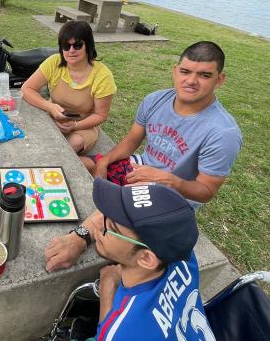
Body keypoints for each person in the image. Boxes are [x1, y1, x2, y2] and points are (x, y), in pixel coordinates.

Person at [45, 41, 241, 272]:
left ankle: (79, 238)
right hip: (141, 167)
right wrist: (105, 162)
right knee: (77, 165)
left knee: (123, 202)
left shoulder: (222, 133)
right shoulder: (156, 100)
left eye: (204, 75)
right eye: (185, 71)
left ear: (220, 80)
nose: (191, 81)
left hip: (174, 196)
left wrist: (169, 180)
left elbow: (206, 191)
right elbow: (131, 141)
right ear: (175, 70)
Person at [32, 179, 230, 341]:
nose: (98, 227)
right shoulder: (185, 258)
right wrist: (81, 236)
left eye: (111, 228)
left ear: (146, 258)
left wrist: (108, 288)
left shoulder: (122, 338)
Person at [21, 20, 116, 155]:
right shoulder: (54, 62)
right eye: (66, 46)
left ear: (88, 45)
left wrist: (75, 126)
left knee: (71, 146)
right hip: (53, 115)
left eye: (77, 45)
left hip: (84, 124)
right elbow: (27, 89)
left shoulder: (103, 75)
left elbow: (101, 115)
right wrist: (50, 107)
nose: (71, 51)